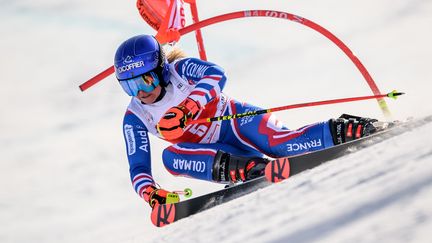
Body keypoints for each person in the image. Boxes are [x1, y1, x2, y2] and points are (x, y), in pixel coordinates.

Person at [114, 34, 378, 208]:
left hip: (236, 122)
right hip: (221, 154)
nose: (140, 92)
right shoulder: (136, 117)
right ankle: (249, 170)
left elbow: (216, 75)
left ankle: (350, 129)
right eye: (129, 86)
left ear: (160, 69)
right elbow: (138, 167)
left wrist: (187, 108)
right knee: (170, 158)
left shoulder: (180, 70)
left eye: (145, 80)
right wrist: (150, 193)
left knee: (281, 146)